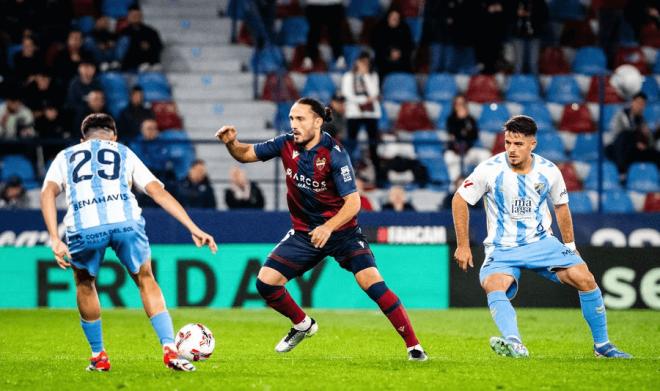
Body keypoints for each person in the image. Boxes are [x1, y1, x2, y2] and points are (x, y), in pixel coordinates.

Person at [215, 97, 427, 361]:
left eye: (300, 119)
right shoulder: (285, 144)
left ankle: (414, 347)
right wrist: (231, 144)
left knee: (371, 282)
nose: (294, 124)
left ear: (317, 121)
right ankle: (303, 324)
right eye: (292, 118)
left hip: (343, 233)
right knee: (265, 284)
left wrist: (328, 227)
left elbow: (353, 202)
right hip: (305, 234)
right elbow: (246, 154)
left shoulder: (334, 154)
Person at [40, 113, 217, 372]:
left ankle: (99, 355)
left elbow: (47, 193)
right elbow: (157, 191)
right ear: (114, 136)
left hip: (84, 225)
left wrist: (55, 238)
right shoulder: (123, 152)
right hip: (126, 222)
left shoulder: (66, 156)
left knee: (85, 283)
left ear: (82, 139)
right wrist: (192, 227)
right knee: (146, 279)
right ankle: (169, 350)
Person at [451, 115, 631, 359]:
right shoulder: (489, 169)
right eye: (507, 143)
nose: (511, 150)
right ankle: (515, 344)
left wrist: (570, 246)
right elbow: (459, 199)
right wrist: (463, 245)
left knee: (585, 278)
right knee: (494, 285)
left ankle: (602, 346)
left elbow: (561, 207)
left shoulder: (549, 171)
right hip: (502, 248)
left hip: (542, 243)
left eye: (518, 144)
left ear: (532, 144)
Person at [341, 51, 382, 172]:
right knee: (351, 144)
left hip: (371, 114)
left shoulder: (373, 76)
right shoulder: (348, 76)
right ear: (357, 62)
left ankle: (377, 174)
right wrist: (364, 100)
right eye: (362, 62)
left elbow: (375, 93)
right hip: (354, 114)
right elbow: (347, 94)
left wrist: (365, 75)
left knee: (373, 144)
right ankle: (347, 172)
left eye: (367, 62)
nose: (364, 64)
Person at [606, 92, 660, 175]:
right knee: (625, 135)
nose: (640, 106)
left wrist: (650, 135)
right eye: (639, 103)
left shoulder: (642, 121)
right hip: (617, 149)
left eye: (643, 104)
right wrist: (635, 142)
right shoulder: (621, 116)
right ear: (632, 102)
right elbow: (618, 136)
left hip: (633, 151)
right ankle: (622, 172)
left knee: (655, 154)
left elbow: (649, 142)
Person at [444, 94, 492, 181]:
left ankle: (481, 183)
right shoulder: (450, 120)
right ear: (454, 106)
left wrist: (465, 120)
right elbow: (455, 135)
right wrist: (461, 121)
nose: (460, 106)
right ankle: (454, 187)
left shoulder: (470, 119)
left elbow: (474, 136)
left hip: (468, 151)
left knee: (485, 154)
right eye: (457, 104)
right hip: (456, 153)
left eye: (462, 104)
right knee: (449, 157)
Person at [371, 8, 414, 80]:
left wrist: (400, 53)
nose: (395, 19)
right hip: (384, 58)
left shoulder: (404, 29)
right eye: (393, 17)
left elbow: (409, 45)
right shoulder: (380, 28)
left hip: (402, 59)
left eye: (397, 18)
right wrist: (389, 53)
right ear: (388, 17)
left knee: (406, 68)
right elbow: (376, 45)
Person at [302, 0, 346, 71]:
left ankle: (339, 57)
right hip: (314, 4)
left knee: (335, 32)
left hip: (334, 4)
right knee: (313, 33)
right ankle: (309, 58)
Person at [120, 6, 163, 71]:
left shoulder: (151, 31)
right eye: (133, 15)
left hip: (148, 64)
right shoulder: (123, 32)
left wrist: (149, 46)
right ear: (128, 17)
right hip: (128, 65)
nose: (135, 17)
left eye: (137, 15)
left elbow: (159, 46)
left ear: (141, 16)